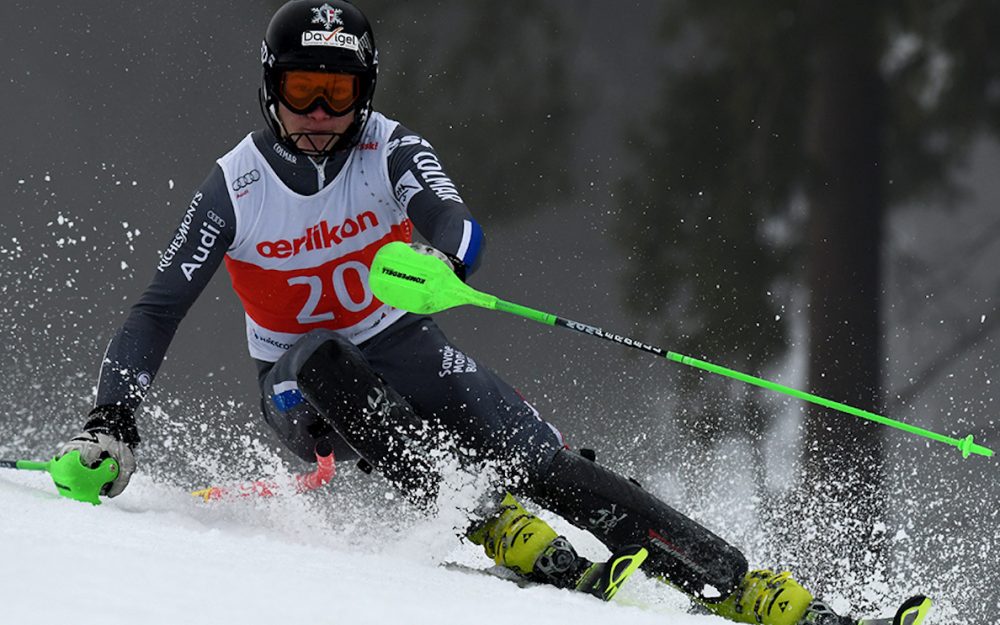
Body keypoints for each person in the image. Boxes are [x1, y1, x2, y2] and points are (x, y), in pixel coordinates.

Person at [54, 2, 881, 624]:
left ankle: (744, 587)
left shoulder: (389, 147)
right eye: (300, 91)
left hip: (407, 344)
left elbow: (458, 223)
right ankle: (494, 523)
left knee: (543, 457)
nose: (317, 115)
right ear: (269, 92)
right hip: (298, 387)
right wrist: (112, 422)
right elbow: (158, 308)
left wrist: (446, 263)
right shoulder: (234, 186)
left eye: (335, 94)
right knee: (318, 360)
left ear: (362, 96)